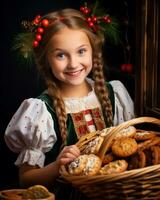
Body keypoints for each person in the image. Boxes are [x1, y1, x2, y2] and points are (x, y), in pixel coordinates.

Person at [4, 6, 135, 200]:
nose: (73, 63)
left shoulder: (114, 95)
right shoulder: (41, 111)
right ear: (46, 59)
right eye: (61, 55)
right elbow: (26, 180)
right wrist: (57, 166)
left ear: (93, 50)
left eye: (81, 51)